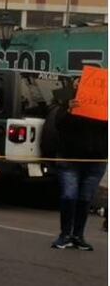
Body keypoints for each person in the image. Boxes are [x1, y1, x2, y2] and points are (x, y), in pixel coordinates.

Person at [47, 86, 108, 250]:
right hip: (70, 159)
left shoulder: (104, 106)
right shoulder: (69, 103)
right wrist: (69, 110)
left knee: (85, 198)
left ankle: (78, 235)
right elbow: (59, 124)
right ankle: (65, 234)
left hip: (96, 160)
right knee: (69, 195)